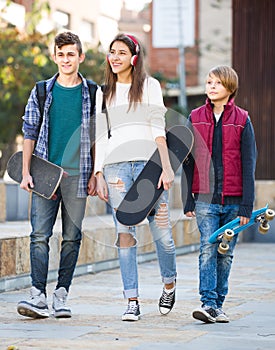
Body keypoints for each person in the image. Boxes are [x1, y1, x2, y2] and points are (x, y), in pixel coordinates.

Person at [94, 33, 177, 321]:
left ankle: (169, 284)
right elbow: (100, 135)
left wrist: (166, 167)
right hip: (116, 169)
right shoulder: (102, 92)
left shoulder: (149, 86)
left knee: (163, 236)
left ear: (133, 57)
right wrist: (99, 172)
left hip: (148, 166)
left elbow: (158, 126)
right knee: (124, 234)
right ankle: (132, 300)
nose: (114, 57)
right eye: (111, 52)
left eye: (121, 52)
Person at [17, 31, 97, 319]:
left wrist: (96, 173)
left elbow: (99, 136)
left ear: (80, 57)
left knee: (72, 237)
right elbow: (29, 131)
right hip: (44, 175)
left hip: (78, 175)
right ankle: (37, 295)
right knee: (39, 235)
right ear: (55, 57)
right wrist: (26, 172)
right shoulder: (42, 90)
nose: (66, 59)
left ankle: (61, 295)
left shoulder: (92, 92)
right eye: (61, 54)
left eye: (71, 54)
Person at [182, 65, 257, 323]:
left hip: (235, 201)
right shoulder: (194, 117)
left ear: (229, 88)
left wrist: (247, 205)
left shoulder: (242, 119)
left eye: (216, 83)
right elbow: (188, 161)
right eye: (208, 82)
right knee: (207, 248)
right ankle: (208, 303)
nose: (210, 86)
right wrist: (187, 198)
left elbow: (249, 164)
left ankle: (218, 305)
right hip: (204, 199)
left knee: (226, 253)